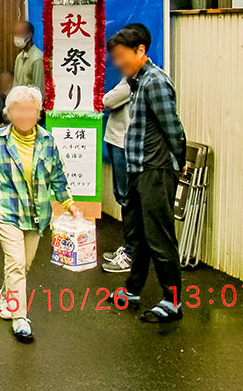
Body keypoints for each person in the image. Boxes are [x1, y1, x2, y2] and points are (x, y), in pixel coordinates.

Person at [0, 85, 79, 344]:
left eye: (29, 109)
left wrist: (69, 204)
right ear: (9, 112)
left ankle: (5, 296)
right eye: (18, 110)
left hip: (37, 212)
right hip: (6, 209)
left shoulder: (47, 141)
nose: (24, 115)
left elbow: (57, 176)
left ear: (38, 112)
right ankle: (20, 317)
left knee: (24, 263)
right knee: (16, 262)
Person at [107, 24, 187, 324]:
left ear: (140, 51)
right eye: (114, 57)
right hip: (139, 167)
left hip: (156, 170)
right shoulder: (137, 81)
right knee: (138, 235)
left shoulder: (155, 81)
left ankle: (172, 302)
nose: (118, 63)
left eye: (121, 56)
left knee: (159, 238)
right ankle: (133, 291)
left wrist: (179, 160)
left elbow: (172, 126)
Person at [101, 75, 133, 273]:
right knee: (122, 197)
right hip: (117, 141)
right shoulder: (127, 76)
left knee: (128, 199)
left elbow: (108, 100)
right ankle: (128, 248)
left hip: (124, 143)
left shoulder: (134, 78)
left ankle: (131, 253)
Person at [12, 21, 44, 96]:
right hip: (17, 102)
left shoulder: (38, 58)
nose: (17, 37)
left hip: (30, 104)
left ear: (29, 36)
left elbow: (38, 90)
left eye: (20, 33)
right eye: (16, 33)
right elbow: (15, 84)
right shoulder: (19, 57)